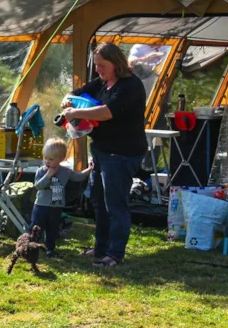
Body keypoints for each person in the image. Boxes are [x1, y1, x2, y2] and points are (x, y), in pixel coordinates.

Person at [62, 42, 147, 267]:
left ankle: (115, 254)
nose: (98, 70)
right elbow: (78, 92)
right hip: (101, 150)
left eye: (102, 65)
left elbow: (107, 112)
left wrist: (75, 112)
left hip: (122, 153)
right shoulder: (102, 82)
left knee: (115, 205)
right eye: (96, 65)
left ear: (116, 63)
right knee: (98, 201)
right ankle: (100, 248)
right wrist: (67, 99)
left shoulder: (130, 86)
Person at [31, 138, 92, 257]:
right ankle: (32, 246)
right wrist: (48, 175)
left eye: (51, 159)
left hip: (56, 206)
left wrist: (89, 169)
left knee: (53, 228)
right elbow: (39, 186)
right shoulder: (41, 171)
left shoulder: (65, 171)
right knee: (36, 226)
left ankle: (50, 249)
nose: (47, 161)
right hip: (41, 205)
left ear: (61, 158)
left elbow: (78, 177)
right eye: (45, 158)